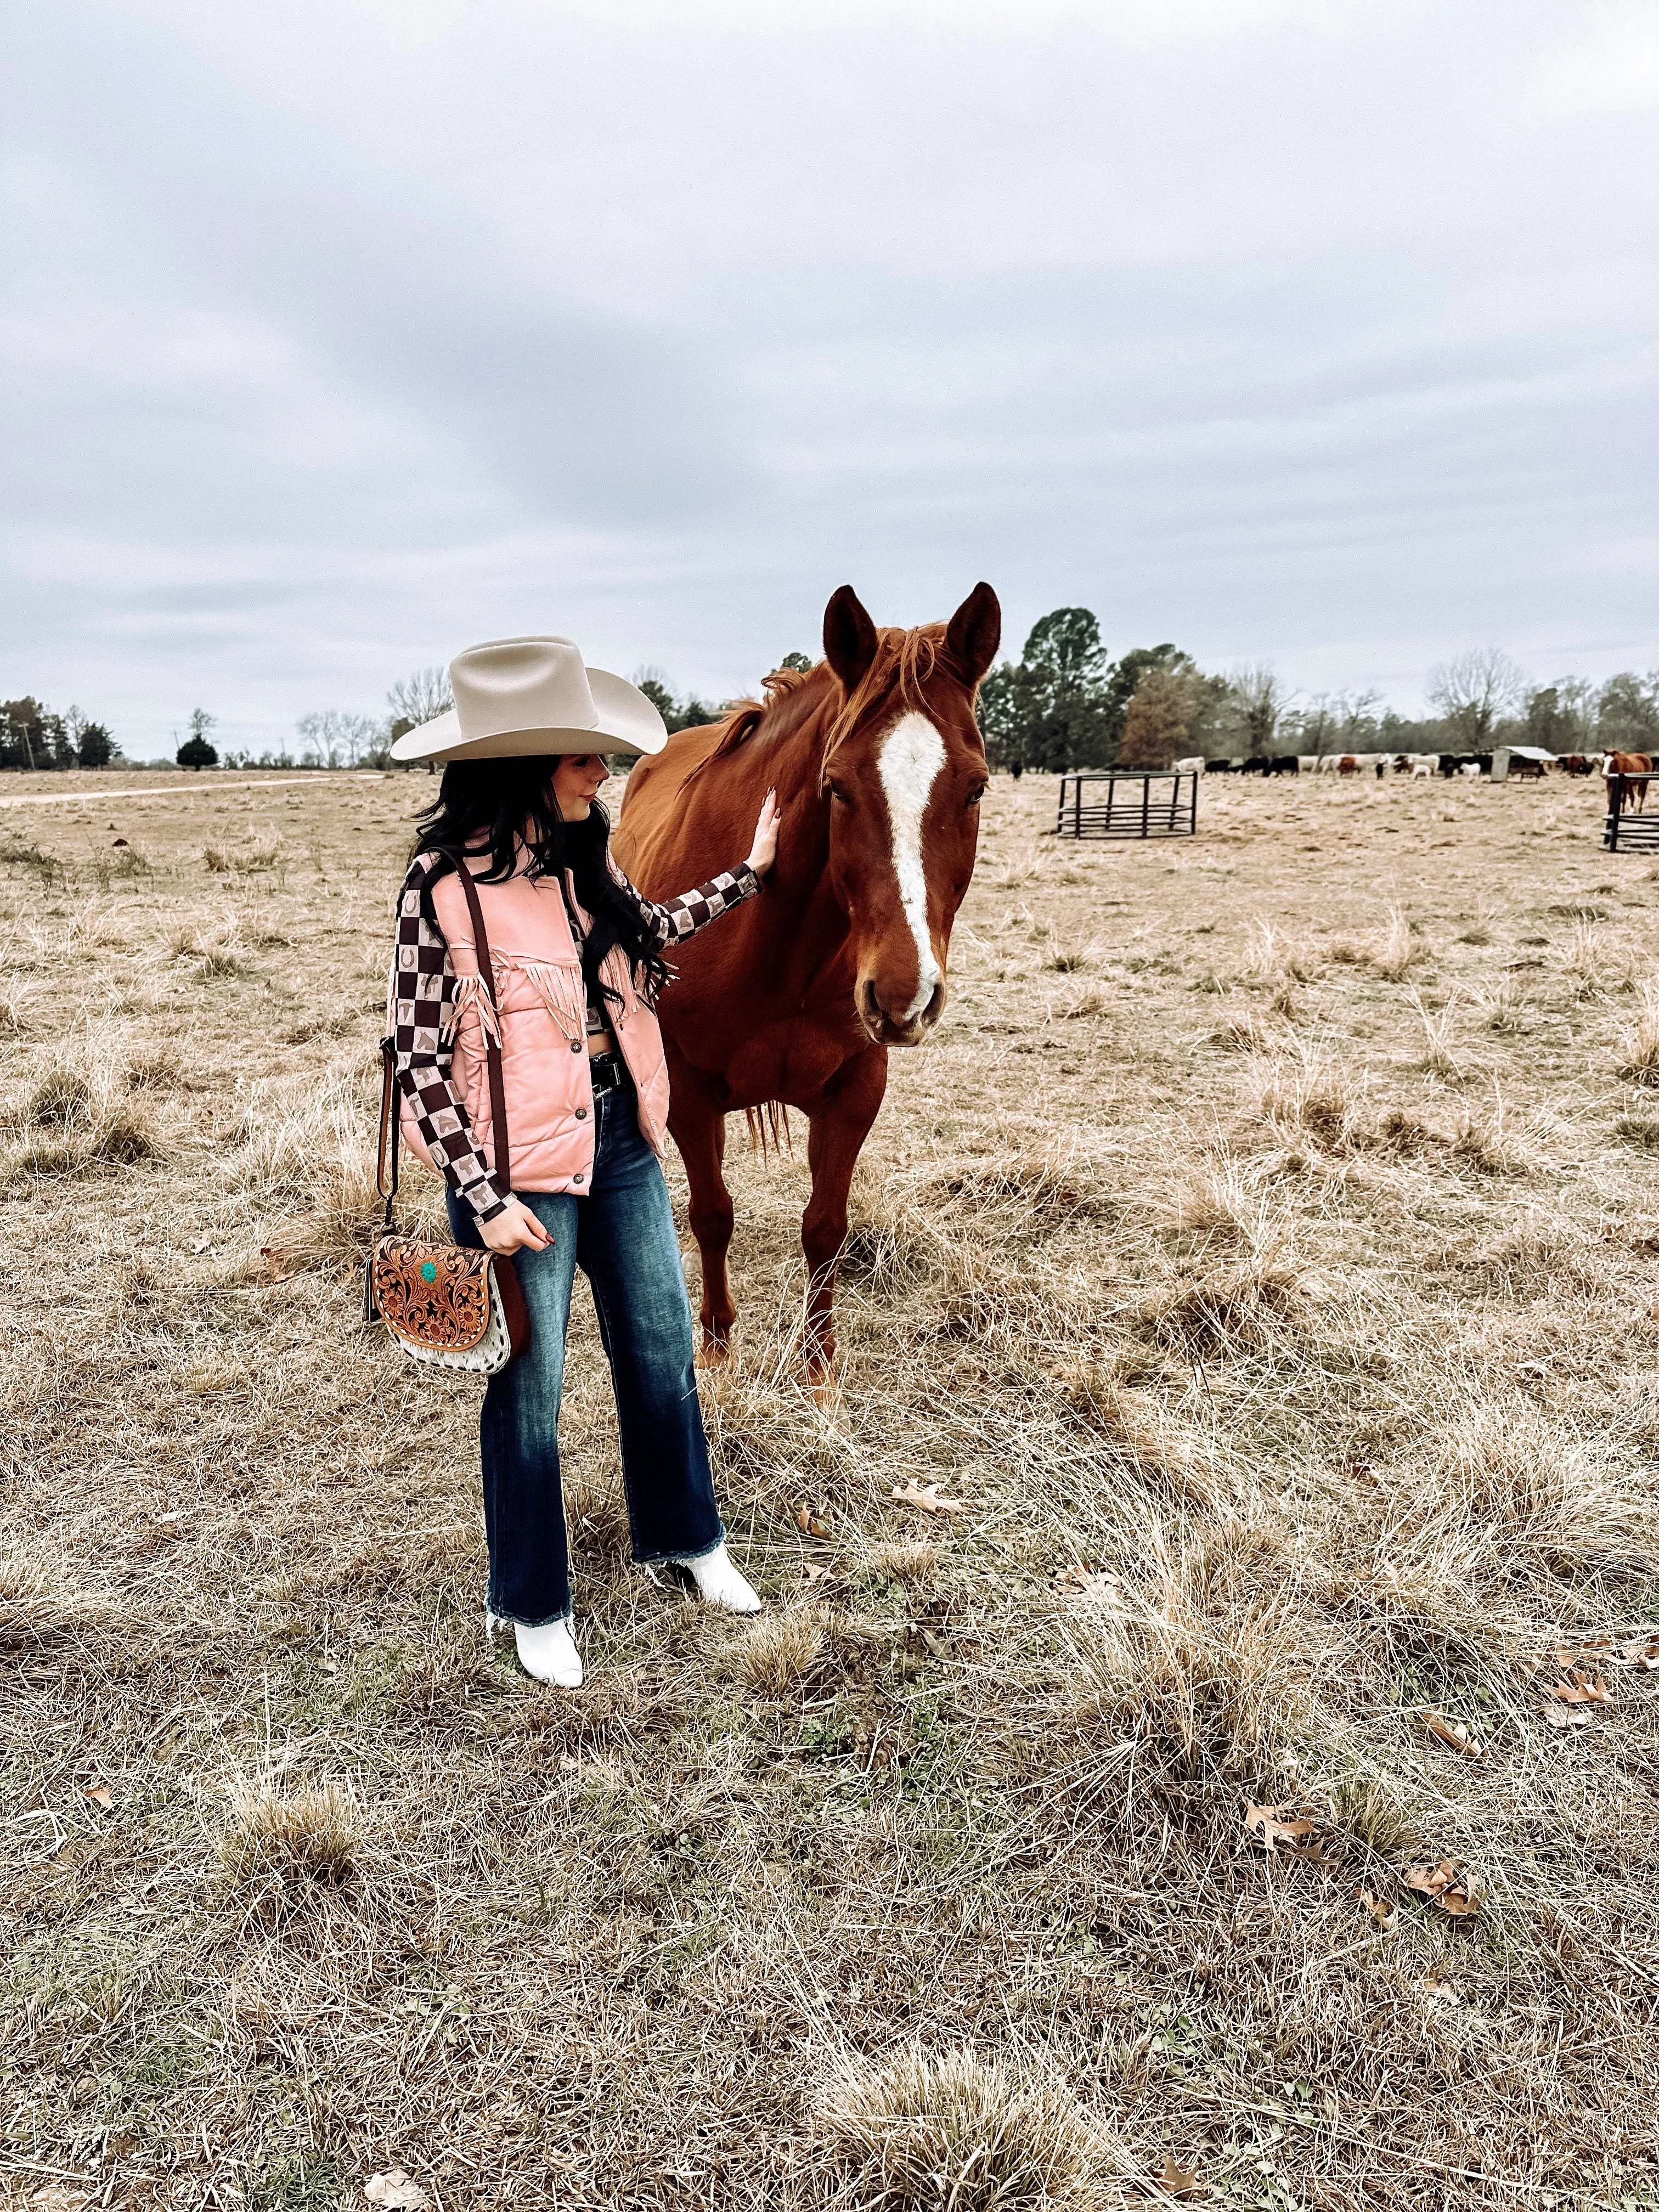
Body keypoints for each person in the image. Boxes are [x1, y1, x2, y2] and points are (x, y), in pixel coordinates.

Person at [385, 636, 780, 1688]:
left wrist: (750, 876)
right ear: (521, 766)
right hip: (517, 1177)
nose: (600, 777)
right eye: (580, 761)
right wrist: (482, 1197)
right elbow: (419, 1063)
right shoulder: (438, 892)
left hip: (623, 1141)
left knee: (660, 1349)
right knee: (531, 1385)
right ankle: (532, 1602)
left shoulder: (582, 864)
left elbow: (648, 933)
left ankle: (689, 1541)